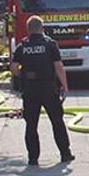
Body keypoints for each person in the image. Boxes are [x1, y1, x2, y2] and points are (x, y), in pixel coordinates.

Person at [10, 15, 74, 166]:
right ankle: (65, 154)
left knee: (31, 125)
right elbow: (58, 66)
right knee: (57, 121)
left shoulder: (23, 46)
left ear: (28, 30)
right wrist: (65, 86)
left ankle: (33, 158)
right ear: (42, 29)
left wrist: (23, 76)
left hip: (30, 90)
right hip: (48, 89)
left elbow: (13, 67)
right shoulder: (50, 44)